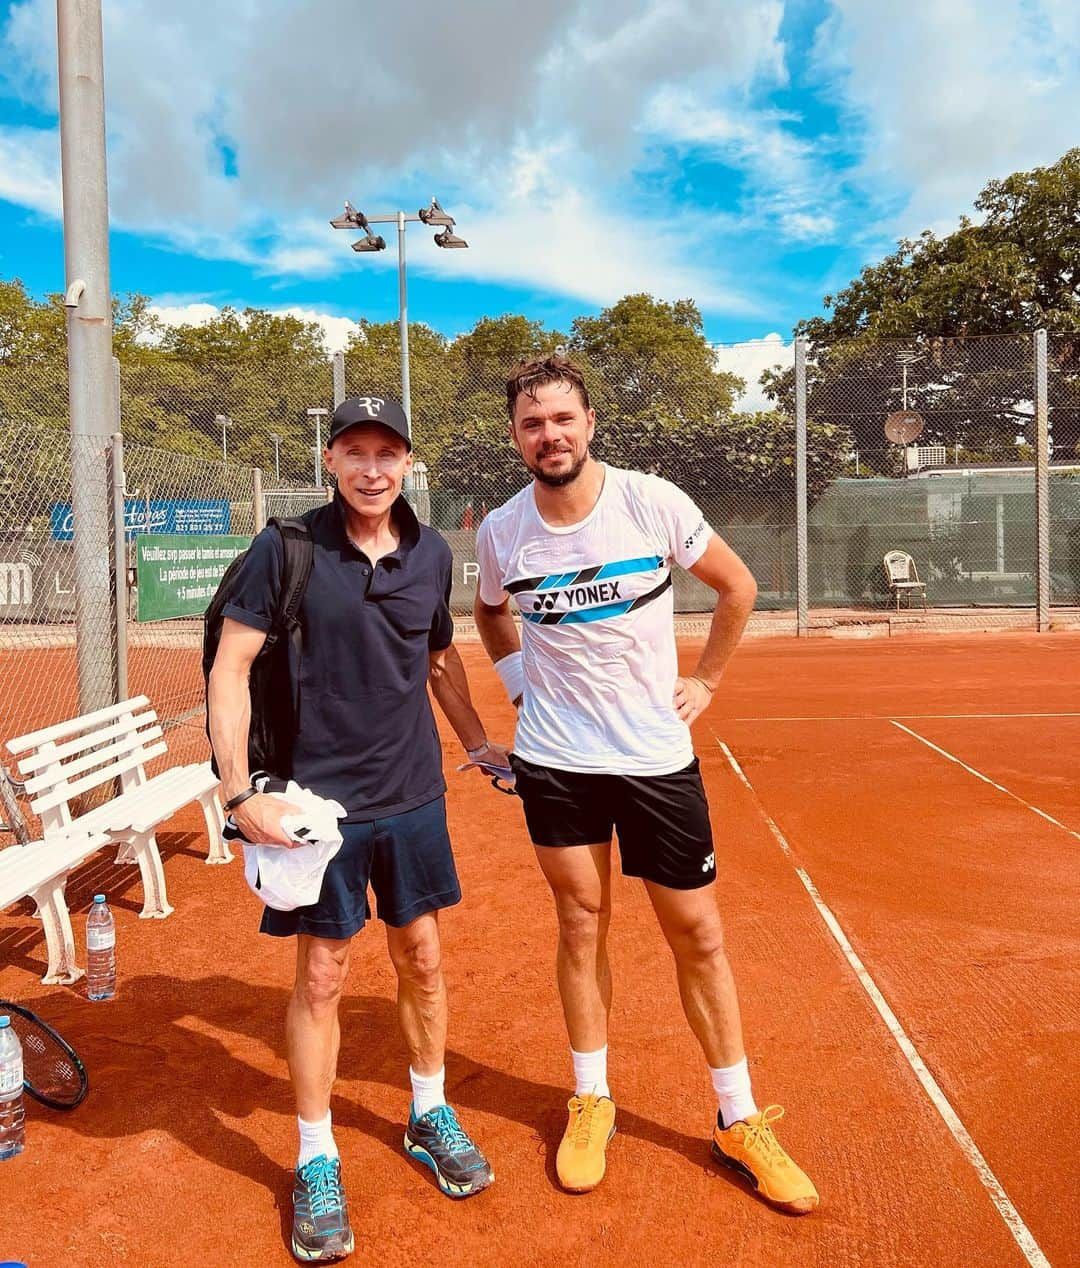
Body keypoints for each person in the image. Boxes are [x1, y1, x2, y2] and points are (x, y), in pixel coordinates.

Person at [473, 356, 819, 1213]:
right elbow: (487, 611)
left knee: (696, 934)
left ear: (589, 423)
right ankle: (591, 1098)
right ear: (514, 436)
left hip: (657, 758)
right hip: (556, 759)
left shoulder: (650, 501)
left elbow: (737, 586)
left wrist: (706, 682)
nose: (548, 435)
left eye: (561, 418)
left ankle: (738, 1118)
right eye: (531, 423)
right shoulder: (502, 531)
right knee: (580, 921)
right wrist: (519, 686)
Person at [210, 395, 506, 1263]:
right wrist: (237, 796)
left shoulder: (432, 553)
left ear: (409, 462)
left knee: (423, 957)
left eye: (388, 452)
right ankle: (315, 1154)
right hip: (319, 812)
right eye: (355, 451)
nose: (372, 468)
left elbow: (438, 659)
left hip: (413, 795)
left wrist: (480, 742)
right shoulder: (287, 549)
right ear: (331, 459)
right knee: (324, 975)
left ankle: (427, 1109)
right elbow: (229, 671)